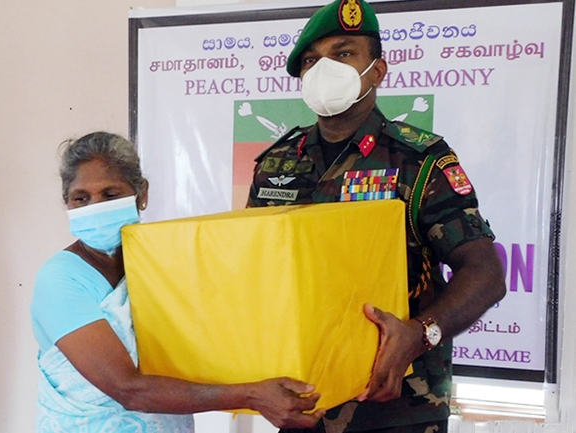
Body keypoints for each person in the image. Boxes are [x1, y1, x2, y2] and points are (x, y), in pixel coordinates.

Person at [247, 1, 507, 432]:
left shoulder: (420, 159)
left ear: (379, 70)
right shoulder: (276, 162)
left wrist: (420, 333)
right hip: (301, 404)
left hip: (399, 408)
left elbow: (484, 272)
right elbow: (256, 268)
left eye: (344, 53)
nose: (324, 68)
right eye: (311, 60)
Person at [31, 131, 324, 433]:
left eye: (110, 194)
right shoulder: (60, 279)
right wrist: (252, 394)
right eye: (81, 198)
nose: (96, 206)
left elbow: (219, 335)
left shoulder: (162, 262)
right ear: (67, 202)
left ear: (141, 194)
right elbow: (127, 389)